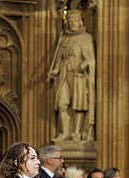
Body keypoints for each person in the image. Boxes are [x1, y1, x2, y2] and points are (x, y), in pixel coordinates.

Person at [48, 9, 96, 142]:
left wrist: (84, 64)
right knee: (62, 104)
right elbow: (58, 59)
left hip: (78, 76)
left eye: (74, 20)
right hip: (64, 73)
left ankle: (77, 132)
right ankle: (64, 132)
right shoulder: (63, 38)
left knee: (78, 105)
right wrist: (55, 71)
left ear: (80, 22)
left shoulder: (86, 38)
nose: (72, 23)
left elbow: (91, 59)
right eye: (69, 21)